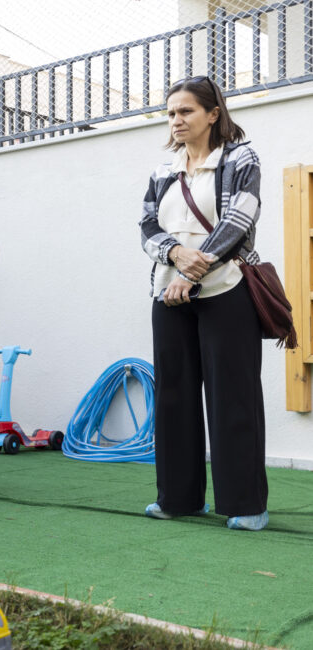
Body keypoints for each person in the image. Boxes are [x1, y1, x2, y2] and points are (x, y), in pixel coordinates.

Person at [138, 75, 268, 531]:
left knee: (233, 398)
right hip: (167, 292)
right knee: (172, 396)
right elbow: (147, 227)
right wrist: (174, 256)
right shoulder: (161, 172)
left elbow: (238, 220)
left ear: (213, 114)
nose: (176, 120)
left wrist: (194, 271)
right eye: (171, 112)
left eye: (186, 111)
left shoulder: (240, 158)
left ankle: (245, 503)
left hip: (226, 289)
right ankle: (177, 499)